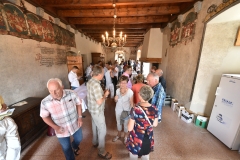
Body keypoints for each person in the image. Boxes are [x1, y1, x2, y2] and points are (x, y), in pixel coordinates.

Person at [40, 78, 83, 160]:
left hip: (75, 123)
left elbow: (78, 104)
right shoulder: (45, 102)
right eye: (50, 91)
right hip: (61, 129)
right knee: (66, 148)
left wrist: (80, 117)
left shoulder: (72, 93)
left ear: (62, 87)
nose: (54, 93)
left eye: (56, 90)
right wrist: (55, 127)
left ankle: (74, 146)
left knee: (79, 138)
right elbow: (44, 117)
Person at [126, 86, 158, 160]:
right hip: (147, 138)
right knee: (145, 157)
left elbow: (130, 128)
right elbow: (155, 124)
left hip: (136, 139)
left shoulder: (135, 109)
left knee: (133, 157)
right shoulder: (154, 108)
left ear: (140, 95)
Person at [87, 65, 112, 159]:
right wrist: (105, 95)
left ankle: (94, 142)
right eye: (103, 73)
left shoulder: (90, 81)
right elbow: (99, 101)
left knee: (95, 126)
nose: (103, 75)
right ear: (100, 74)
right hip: (97, 110)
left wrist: (103, 93)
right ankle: (101, 151)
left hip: (92, 109)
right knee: (102, 130)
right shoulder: (96, 85)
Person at [113, 75, 133, 144]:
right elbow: (116, 101)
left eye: (124, 83)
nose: (122, 84)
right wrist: (115, 99)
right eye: (121, 82)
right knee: (118, 123)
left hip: (126, 111)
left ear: (127, 83)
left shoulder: (130, 92)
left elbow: (131, 103)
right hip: (118, 109)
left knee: (125, 125)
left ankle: (125, 137)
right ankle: (118, 135)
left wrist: (132, 112)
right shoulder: (117, 91)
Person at [0, 95, 21, 160]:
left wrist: (3, 108)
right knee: (1, 150)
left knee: (15, 144)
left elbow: (3, 104)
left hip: (5, 120)